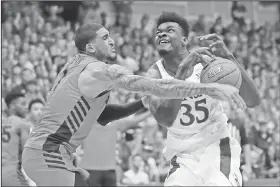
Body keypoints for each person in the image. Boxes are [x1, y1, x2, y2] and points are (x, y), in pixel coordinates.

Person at [22, 23, 245, 186]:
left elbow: (102, 116)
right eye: (105, 37)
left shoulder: (74, 66)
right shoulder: (97, 71)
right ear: (90, 47)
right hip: (48, 153)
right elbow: (156, 86)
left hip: (47, 152)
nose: (111, 40)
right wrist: (210, 89)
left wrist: (141, 104)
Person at [145, 12, 260, 186]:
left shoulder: (207, 64)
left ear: (184, 40)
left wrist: (229, 58)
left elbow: (253, 101)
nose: (161, 34)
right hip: (182, 156)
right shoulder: (154, 75)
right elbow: (164, 118)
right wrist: (182, 70)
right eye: (158, 32)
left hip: (217, 148)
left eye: (169, 30)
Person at [75, 110, 151, 186]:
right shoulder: (86, 125)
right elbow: (134, 121)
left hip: (106, 170)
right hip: (92, 170)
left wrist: (150, 112)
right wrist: (150, 112)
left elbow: (134, 121)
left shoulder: (114, 125)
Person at [2, 92, 30, 186]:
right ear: (12, 106)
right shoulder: (21, 123)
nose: (26, 107)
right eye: (22, 104)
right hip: (12, 174)